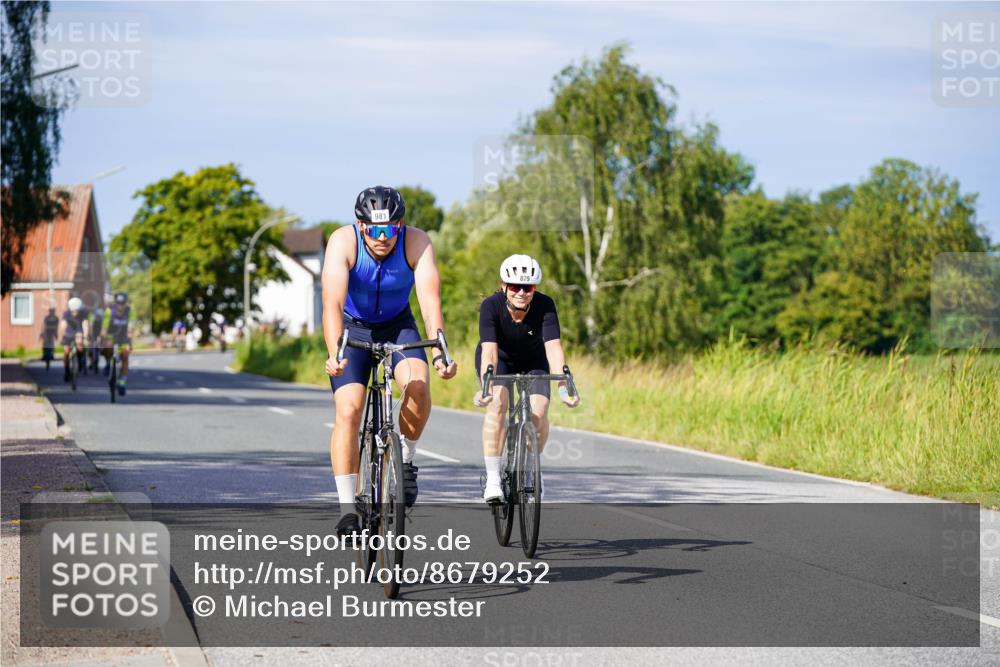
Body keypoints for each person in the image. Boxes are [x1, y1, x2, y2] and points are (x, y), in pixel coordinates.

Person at [322, 185, 457, 536]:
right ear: (361, 225)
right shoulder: (343, 242)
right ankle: (347, 509)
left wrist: (439, 351)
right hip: (353, 328)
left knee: (418, 387)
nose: (383, 237)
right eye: (375, 229)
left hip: (398, 326)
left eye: (391, 229)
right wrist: (335, 351)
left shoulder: (417, 242)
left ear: (401, 224)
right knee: (349, 409)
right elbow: (332, 303)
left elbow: (430, 301)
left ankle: (406, 460)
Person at [473, 254, 580, 503]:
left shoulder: (545, 305)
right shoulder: (491, 306)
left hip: (534, 360)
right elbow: (489, 352)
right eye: (514, 287)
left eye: (528, 287)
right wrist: (487, 387)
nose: (521, 292)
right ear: (503, 286)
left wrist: (564, 388)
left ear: (534, 288)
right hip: (499, 359)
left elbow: (553, 349)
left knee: (539, 411)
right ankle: (493, 479)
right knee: (498, 403)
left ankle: (531, 469)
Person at [101, 292, 133, 395]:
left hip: (123, 337)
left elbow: (130, 327)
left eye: (123, 303)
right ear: (115, 303)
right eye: (118, 303)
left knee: (125, 356)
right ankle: (108, 363)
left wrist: (130, 340)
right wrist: (103, 336)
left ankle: (122, 381)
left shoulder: (129, 311)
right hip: (111, 335)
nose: (120, 305)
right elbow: (104, 327)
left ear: (125, 303)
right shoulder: (109, 311)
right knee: (107, 347)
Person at [59, 297, 90, 382]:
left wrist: (85, 337)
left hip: (79, 332)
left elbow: (85, 324)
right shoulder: (66, 313)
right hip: (69, 333)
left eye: (76, 310)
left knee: (79, 344)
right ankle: (67, 370)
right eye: (73, 310)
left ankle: (79, 361)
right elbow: (63, 324)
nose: (74, 312)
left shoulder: (83, 313)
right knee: (66, 352)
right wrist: (62, 335)